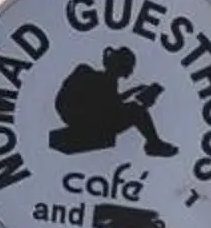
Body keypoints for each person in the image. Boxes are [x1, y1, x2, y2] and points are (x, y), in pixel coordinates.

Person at [48, 45, 178, 159]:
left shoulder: (105, 81)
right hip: (86, 123)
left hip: (93, 120)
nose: (123, 75)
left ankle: (154, 143)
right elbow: (106, 106)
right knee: (135, 110)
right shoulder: (89, 74)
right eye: (124, 70)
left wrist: (133, 92)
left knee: (136, 109)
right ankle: (154, 144)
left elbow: (110, 103)